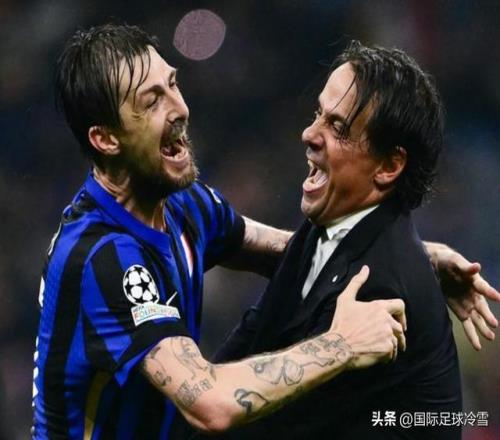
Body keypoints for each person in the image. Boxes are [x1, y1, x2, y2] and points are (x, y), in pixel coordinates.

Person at [32, 24, 497, 439]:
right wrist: (342, 344)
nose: (180, 109)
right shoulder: (104, 257)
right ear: (106, 139)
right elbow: (209, 403)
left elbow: (282, 251)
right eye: (151, 102)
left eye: (172, 84)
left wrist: (415, 256)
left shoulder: (184, 204)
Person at [208, 41, 500, 439]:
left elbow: (253, 422)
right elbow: (251, 340)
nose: (309, 134)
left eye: (338, 128)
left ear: (389, 165)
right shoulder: (326, 232)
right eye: (318, 114)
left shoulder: (377, 293)